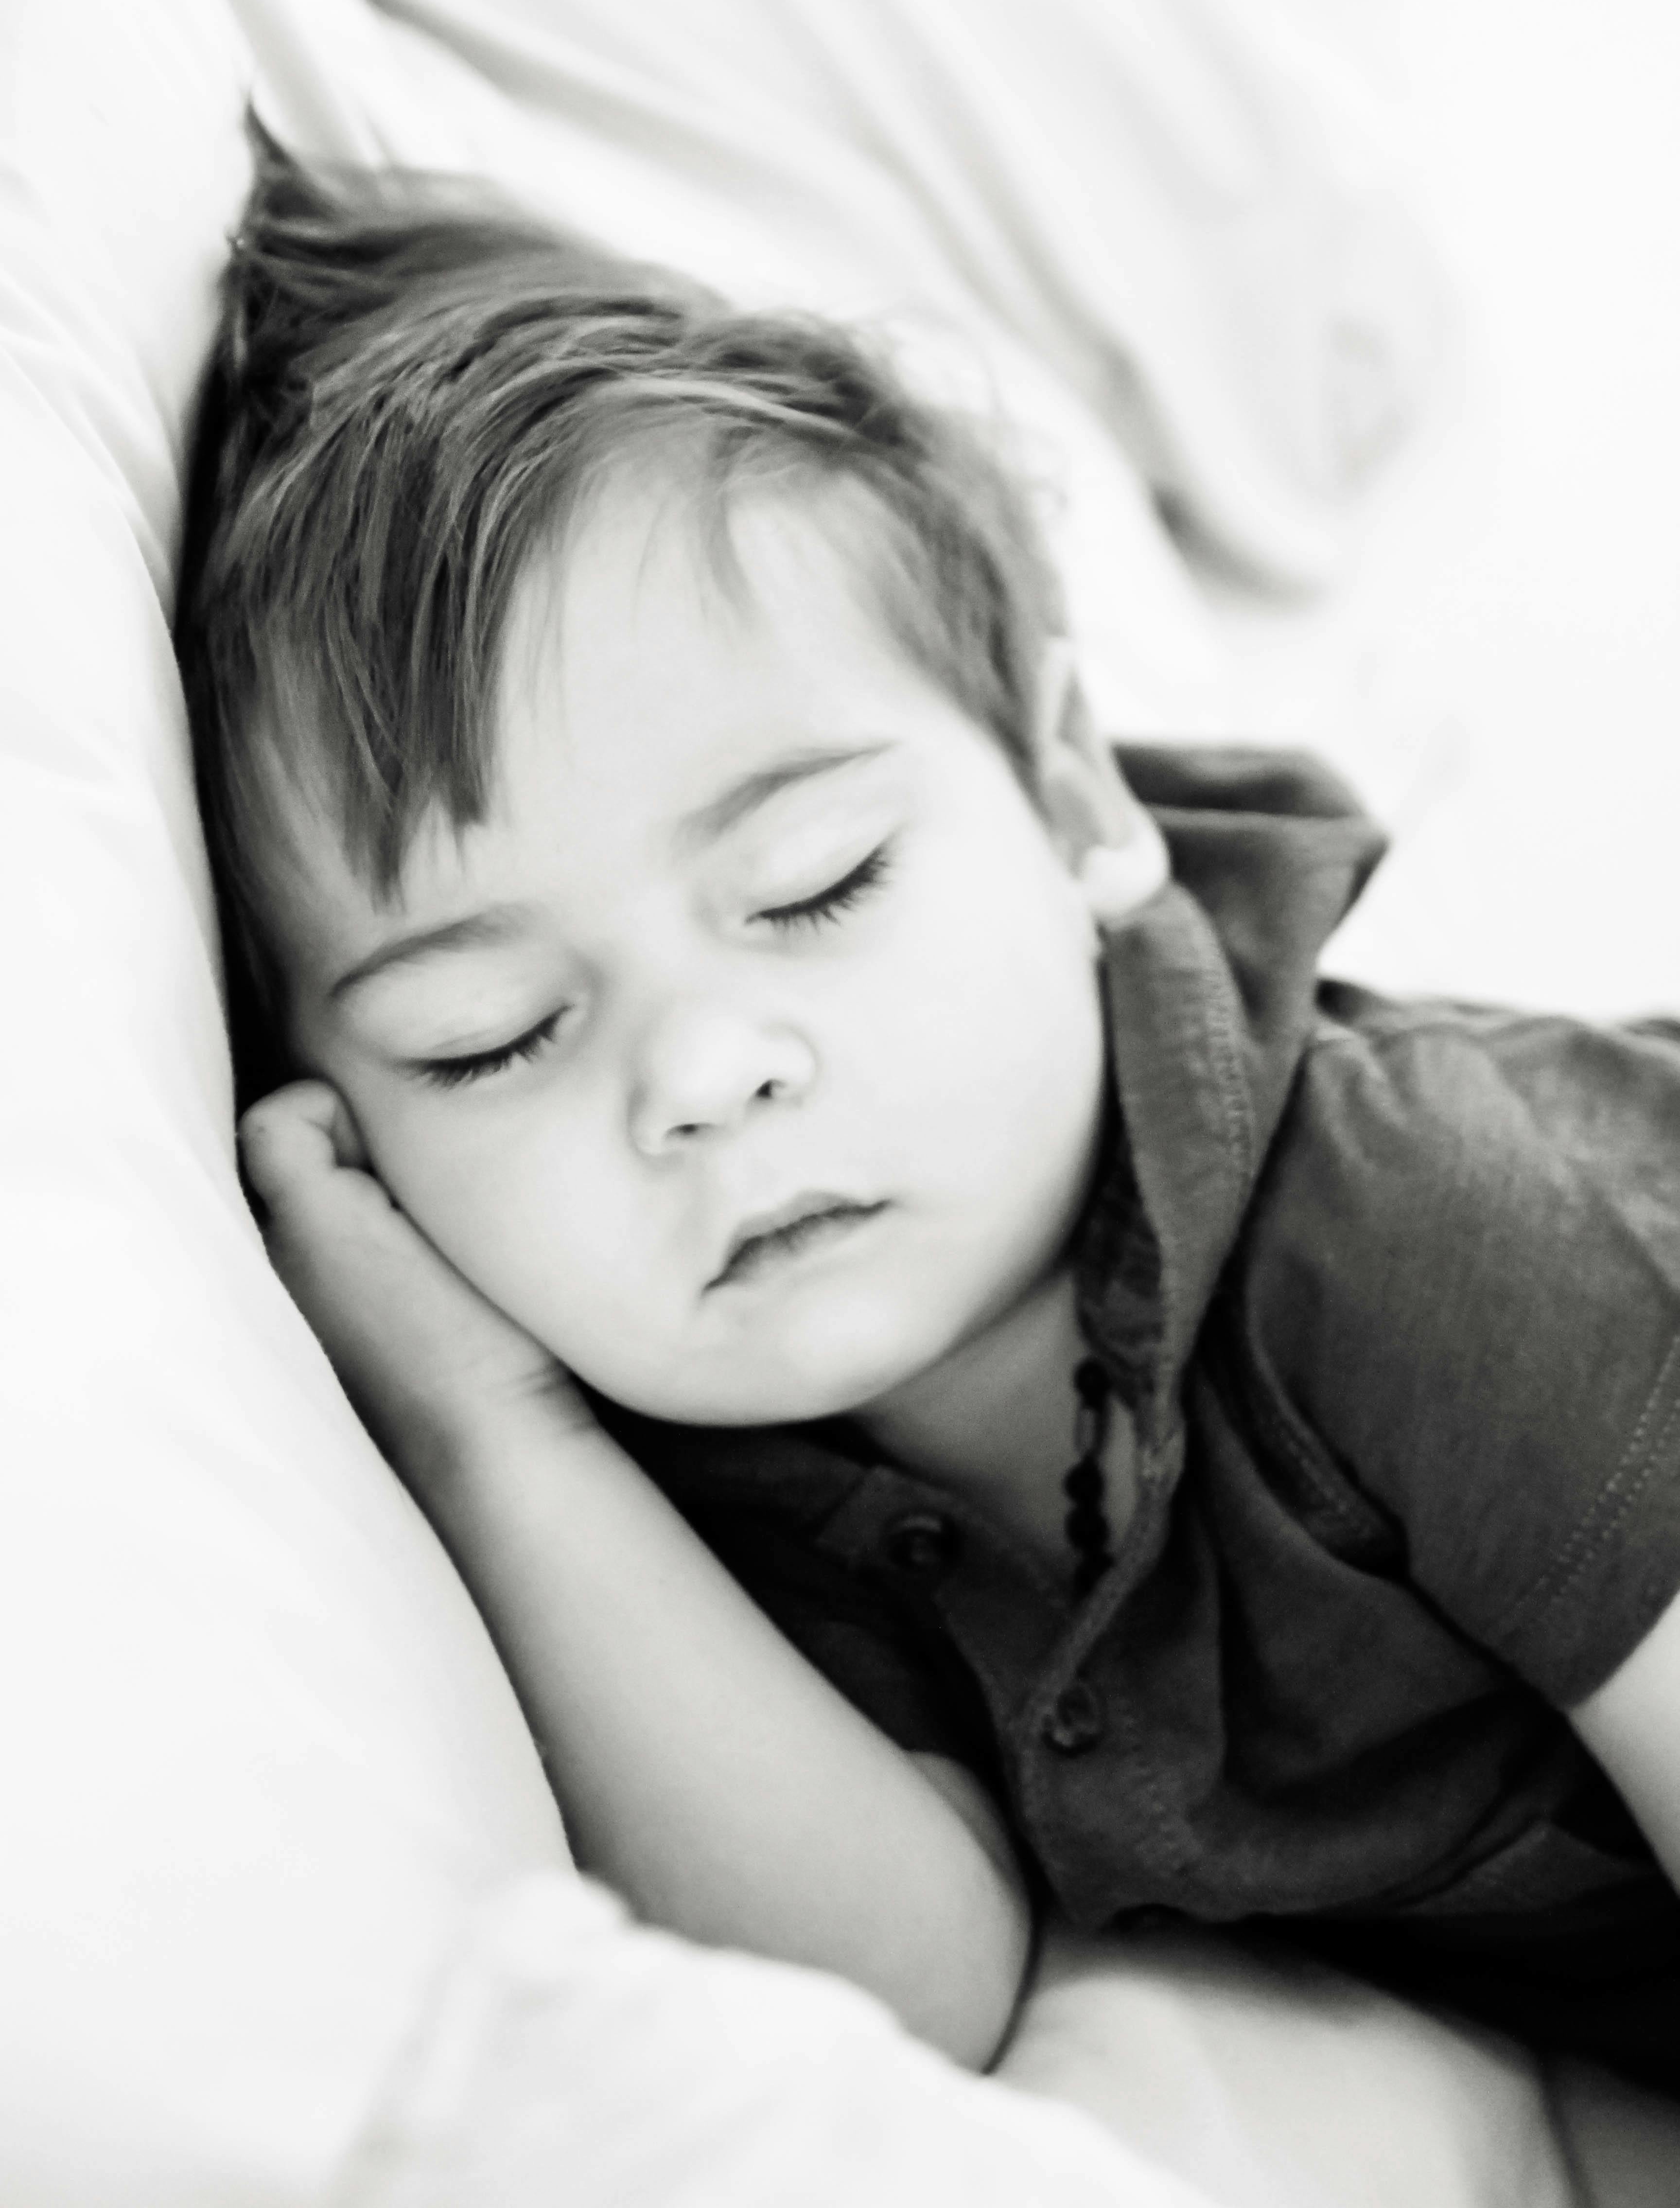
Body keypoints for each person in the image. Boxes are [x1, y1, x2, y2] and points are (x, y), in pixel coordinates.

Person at [178, 128, 1680, 2092]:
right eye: (492, 1036)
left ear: (1073, 801)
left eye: (815, 888)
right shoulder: (726, 1463)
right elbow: (906, 2000)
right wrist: (494, 1435)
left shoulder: (1415, 1227)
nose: (706, 1076)